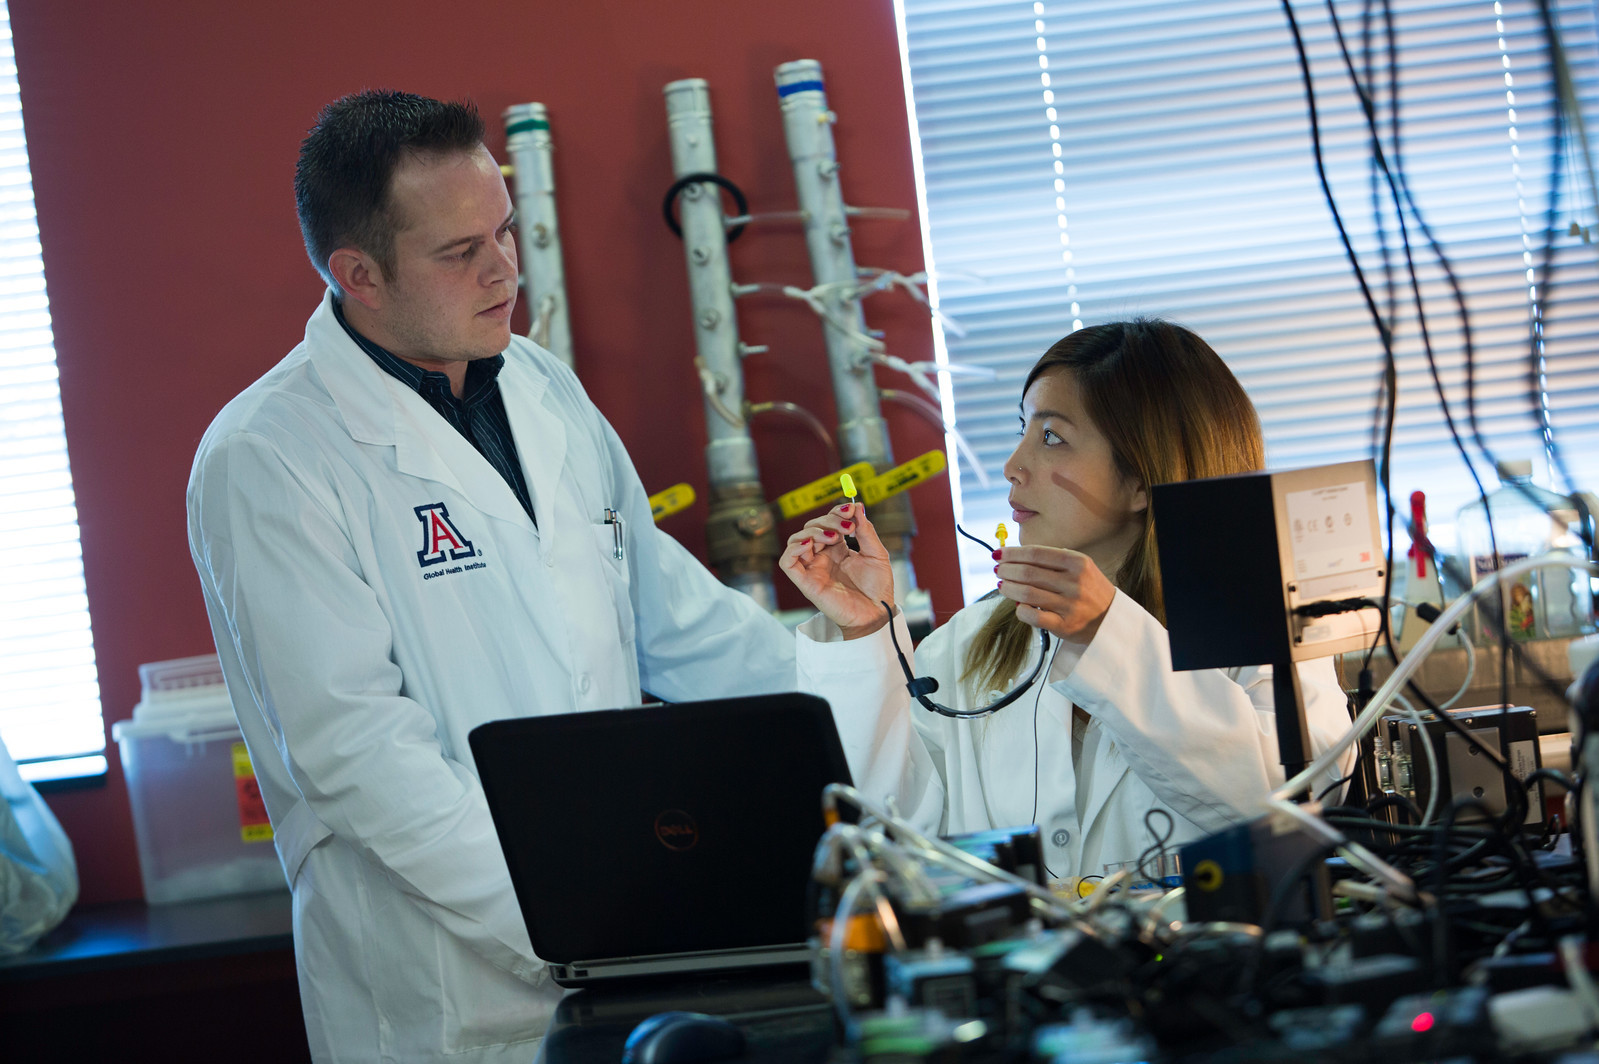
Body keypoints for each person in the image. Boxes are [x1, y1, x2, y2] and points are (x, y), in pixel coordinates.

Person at [186, 91, 802, 1064]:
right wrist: (582, 914)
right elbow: (356, 755)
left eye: (506, 230)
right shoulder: (268, 457)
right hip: (444, 1000)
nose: (506, 267)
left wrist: (869, 707)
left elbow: (675, 618)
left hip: (624, 959)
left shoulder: (542, 384)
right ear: (358, 275)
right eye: (459, 250)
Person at [781, 320, 1356, 882]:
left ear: (1141, 478)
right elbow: (893, 842)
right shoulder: (971, 641)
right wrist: (865, 634)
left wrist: (1107, 633)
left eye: (1052, 436)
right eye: (1023, 430)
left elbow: (1294, 806)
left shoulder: (1261, 621)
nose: (1013, 467)